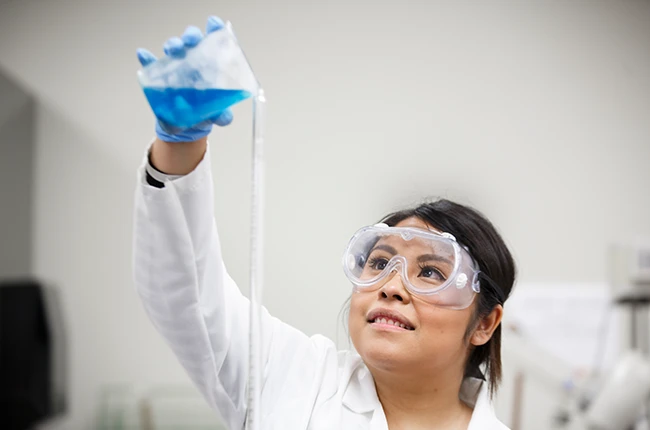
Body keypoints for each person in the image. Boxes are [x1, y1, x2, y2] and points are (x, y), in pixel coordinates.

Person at [133, 16, 516, 430]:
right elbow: (188, 298)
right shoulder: (292, 377)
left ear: (483, 323)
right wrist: (179, 146)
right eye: (379, 262)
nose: (391, 286)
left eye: (429, 271)